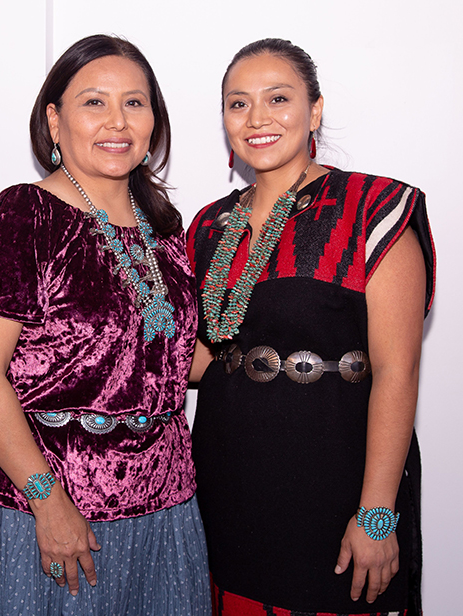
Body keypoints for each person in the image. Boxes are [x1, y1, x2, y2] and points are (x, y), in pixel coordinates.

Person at [0, 34, 210, 615]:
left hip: (164, 503)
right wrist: (47, 501)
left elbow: (169, 360)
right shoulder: (24, 213)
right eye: (95, 102)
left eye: (135, 103)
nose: (117, 121)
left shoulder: (166, 231)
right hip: (47, 507)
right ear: (54, 120)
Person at [186, 38, 435, 615]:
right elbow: (198, 358)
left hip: (338, 478)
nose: (257, 119)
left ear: (315, 110)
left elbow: (399, 371)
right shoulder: (208, 225)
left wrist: (377, 513)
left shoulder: (375, 207)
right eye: (238, 104)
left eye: (278, 98)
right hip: (229, 479)